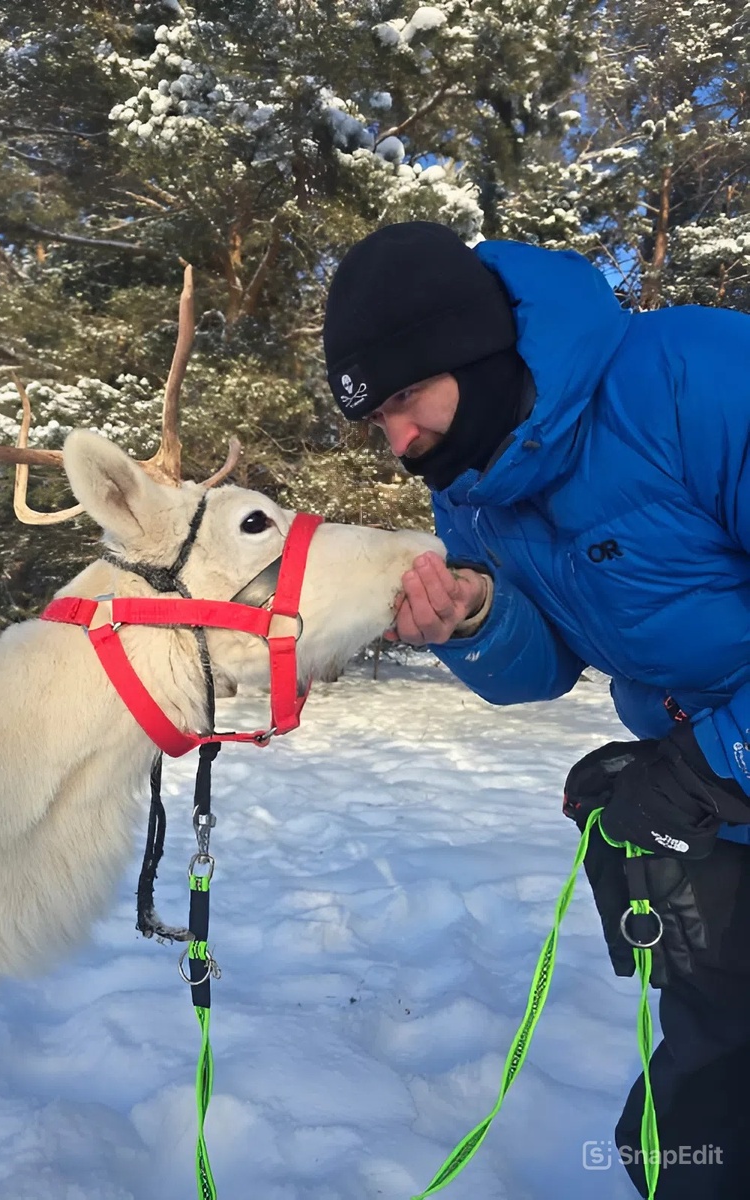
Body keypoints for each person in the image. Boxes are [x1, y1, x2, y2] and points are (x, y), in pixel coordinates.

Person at [322, 220, 750, 1200]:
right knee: (705, 1095)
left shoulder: (697, 378)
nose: (397, 443)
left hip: (719, 772)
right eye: (374, 422)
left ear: (470, 350)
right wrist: (479, 618)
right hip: (718, 794)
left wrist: (707, 765)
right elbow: (545, 662)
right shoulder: (472, 496)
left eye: (402, 401)